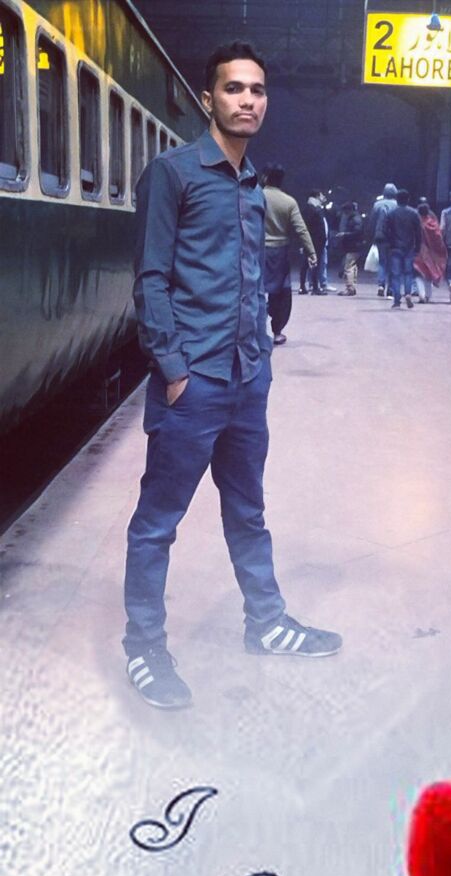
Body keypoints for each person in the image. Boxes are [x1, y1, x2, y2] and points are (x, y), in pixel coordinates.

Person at [124, 41, 342, 709]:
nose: (248, 100)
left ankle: (266, 623)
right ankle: (144, 647)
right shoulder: (173, 174)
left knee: (249, 511)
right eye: (234, 88)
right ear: (208, 99)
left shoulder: (252, 187)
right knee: (157, 523)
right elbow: (151, 279)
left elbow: (247, 281)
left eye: (257, 90)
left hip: (248, 381)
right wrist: (173, 369)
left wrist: (262, 357)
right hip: (193, 385)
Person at [261, 163, 316, 345]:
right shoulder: (289, 202)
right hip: (280, 253)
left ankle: (255, 330)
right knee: (282, 293)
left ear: (265, 177)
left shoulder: (255, 196)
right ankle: (277, 332)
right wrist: (311, 252)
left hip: (257, 250)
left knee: (255, 290)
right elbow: (301, 230)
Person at [384, 189, 422, 309]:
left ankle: (396, 300)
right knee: (408, 273)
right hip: (409, 247)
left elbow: (385, 230)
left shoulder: (391, 213)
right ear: (408, 199)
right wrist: (418, 246)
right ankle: (408, 293)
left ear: (397, 199)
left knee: (395, 275)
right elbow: (418, 232)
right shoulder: (414, 213)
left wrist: (389, 243)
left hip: (395, 247)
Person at [413, 203, 447, 303]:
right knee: (428, 273)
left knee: (418, 273)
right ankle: (428, 295)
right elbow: (438, 237)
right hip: (431, 253)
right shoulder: (433, 223)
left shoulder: (417, 222)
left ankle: (421, 294)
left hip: (419, 251)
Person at [368, 182, 397, 297]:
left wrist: (372, 234)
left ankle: (381, 285)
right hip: (394, 237)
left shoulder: (377, 205)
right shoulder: (396, 205)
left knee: (382, 262)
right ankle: (391, 289)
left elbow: (372, 221)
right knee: (393, 263)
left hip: (380, 236)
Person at [300, 189, 327, 295]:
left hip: (311, 239)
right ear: (317, 196)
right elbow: (316, 227)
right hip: (315, 240)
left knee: (306, 263)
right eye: (322, 195)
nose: (323, 197)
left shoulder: (309, 208)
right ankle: (315, 287)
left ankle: (303, 286)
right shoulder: (314, 209)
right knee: (314, 263)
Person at [336, 200, 365, 296]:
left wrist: (344, 234)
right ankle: (352, 287)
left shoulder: (355, 219)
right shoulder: (356, 218)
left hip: (353, 246)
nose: (345, 213)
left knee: (348, 267)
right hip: (356, 246)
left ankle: (349, 288)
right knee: (353, 267)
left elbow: (357, 233)